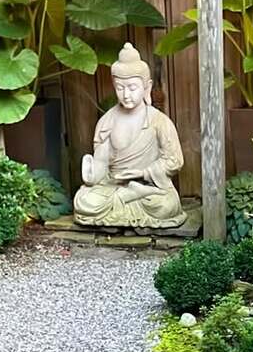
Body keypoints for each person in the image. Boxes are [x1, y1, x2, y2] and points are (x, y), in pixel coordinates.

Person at [73, 43, 187, 229]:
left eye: (132, 87)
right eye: (120, 88)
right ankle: (130, 196)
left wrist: (143, 172)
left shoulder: (159, 121)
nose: (126, 95)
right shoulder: (107, 122)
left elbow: (175, 160)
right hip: (114, 186)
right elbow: (101, 163)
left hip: (149, 187)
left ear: (146, 87)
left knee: (166, 206)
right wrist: (92, 175)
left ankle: (137, 192)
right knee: (84, 201)